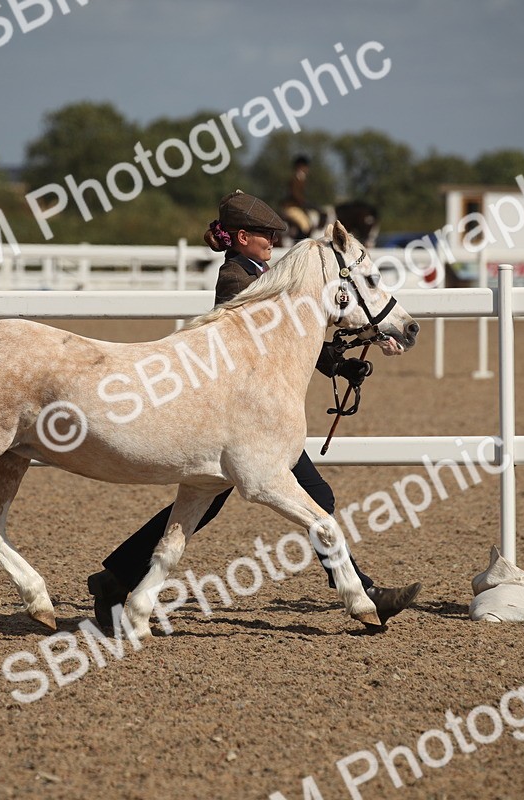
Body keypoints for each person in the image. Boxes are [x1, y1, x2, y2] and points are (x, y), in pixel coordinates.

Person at [87, 190, 422, 629]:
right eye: (265, 234)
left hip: (257, 413)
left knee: (210, 504)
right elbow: (266, 335)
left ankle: (117, 579)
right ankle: (361, 591)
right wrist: (335, 358)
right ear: (241, 237)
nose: (271, 241)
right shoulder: (234, 279)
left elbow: (296, 335)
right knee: (296, 498)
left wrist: (344, 357)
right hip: (241, 413)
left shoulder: (262, 271)